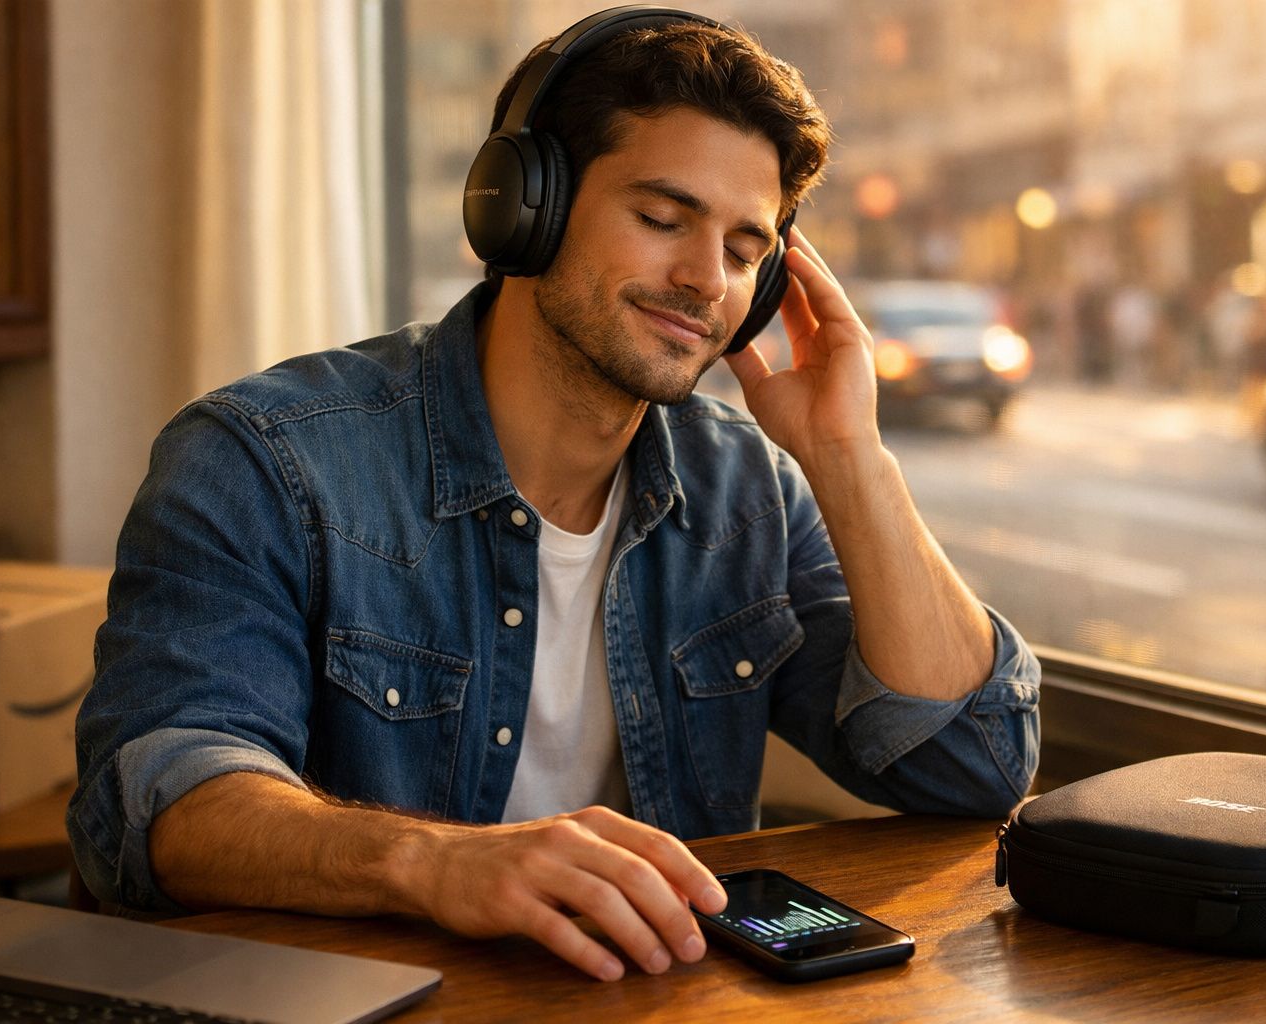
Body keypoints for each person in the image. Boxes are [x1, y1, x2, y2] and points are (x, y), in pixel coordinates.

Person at [68, 10, 1039, 983]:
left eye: (747, 251)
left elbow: (974, 766)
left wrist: (847, 456)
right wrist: (433, 861)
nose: (706, 278)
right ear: (520, 206)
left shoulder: (751, 491)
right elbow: (166, 804)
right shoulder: (263, 460)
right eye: (662, 219)